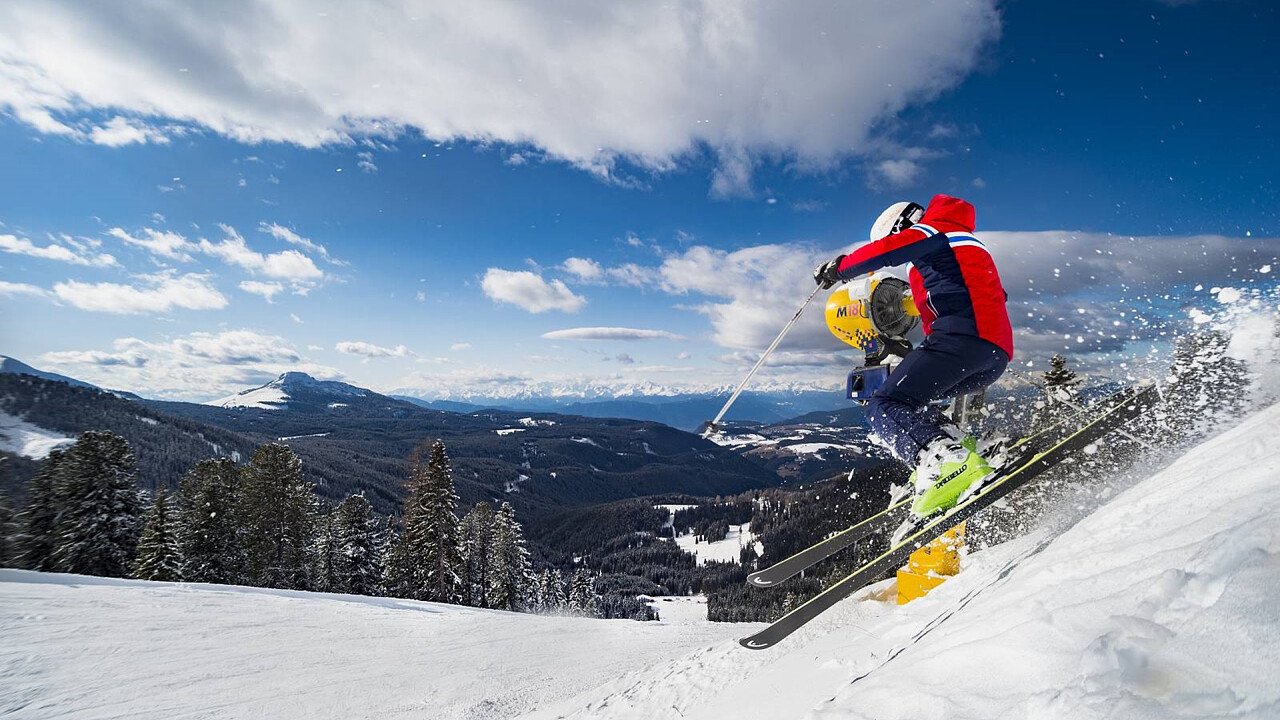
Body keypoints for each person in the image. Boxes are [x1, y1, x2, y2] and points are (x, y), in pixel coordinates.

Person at [814, 194, 1013, 518]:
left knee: (882, 402)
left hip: (960, 342)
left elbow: (886, 252)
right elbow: (993, 294)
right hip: (996, 354)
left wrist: (841, 269)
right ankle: (960, 451)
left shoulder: (934, 230)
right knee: (911, 402)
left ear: (901, 227)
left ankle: (948, 464)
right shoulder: (968, 243)